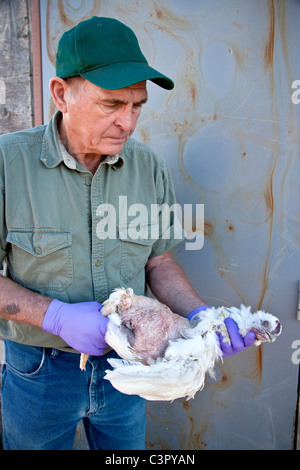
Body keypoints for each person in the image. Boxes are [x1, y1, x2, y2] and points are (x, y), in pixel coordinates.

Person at [0, 17, 255, 450]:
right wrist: (54, 316)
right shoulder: (8, 163)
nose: (128, 122)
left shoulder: (148, 167)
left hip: (132, 365)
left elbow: (159, 262)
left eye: (137, 106)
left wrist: (201, 316)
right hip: (40, 374)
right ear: (62, 94)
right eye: (112, 104)